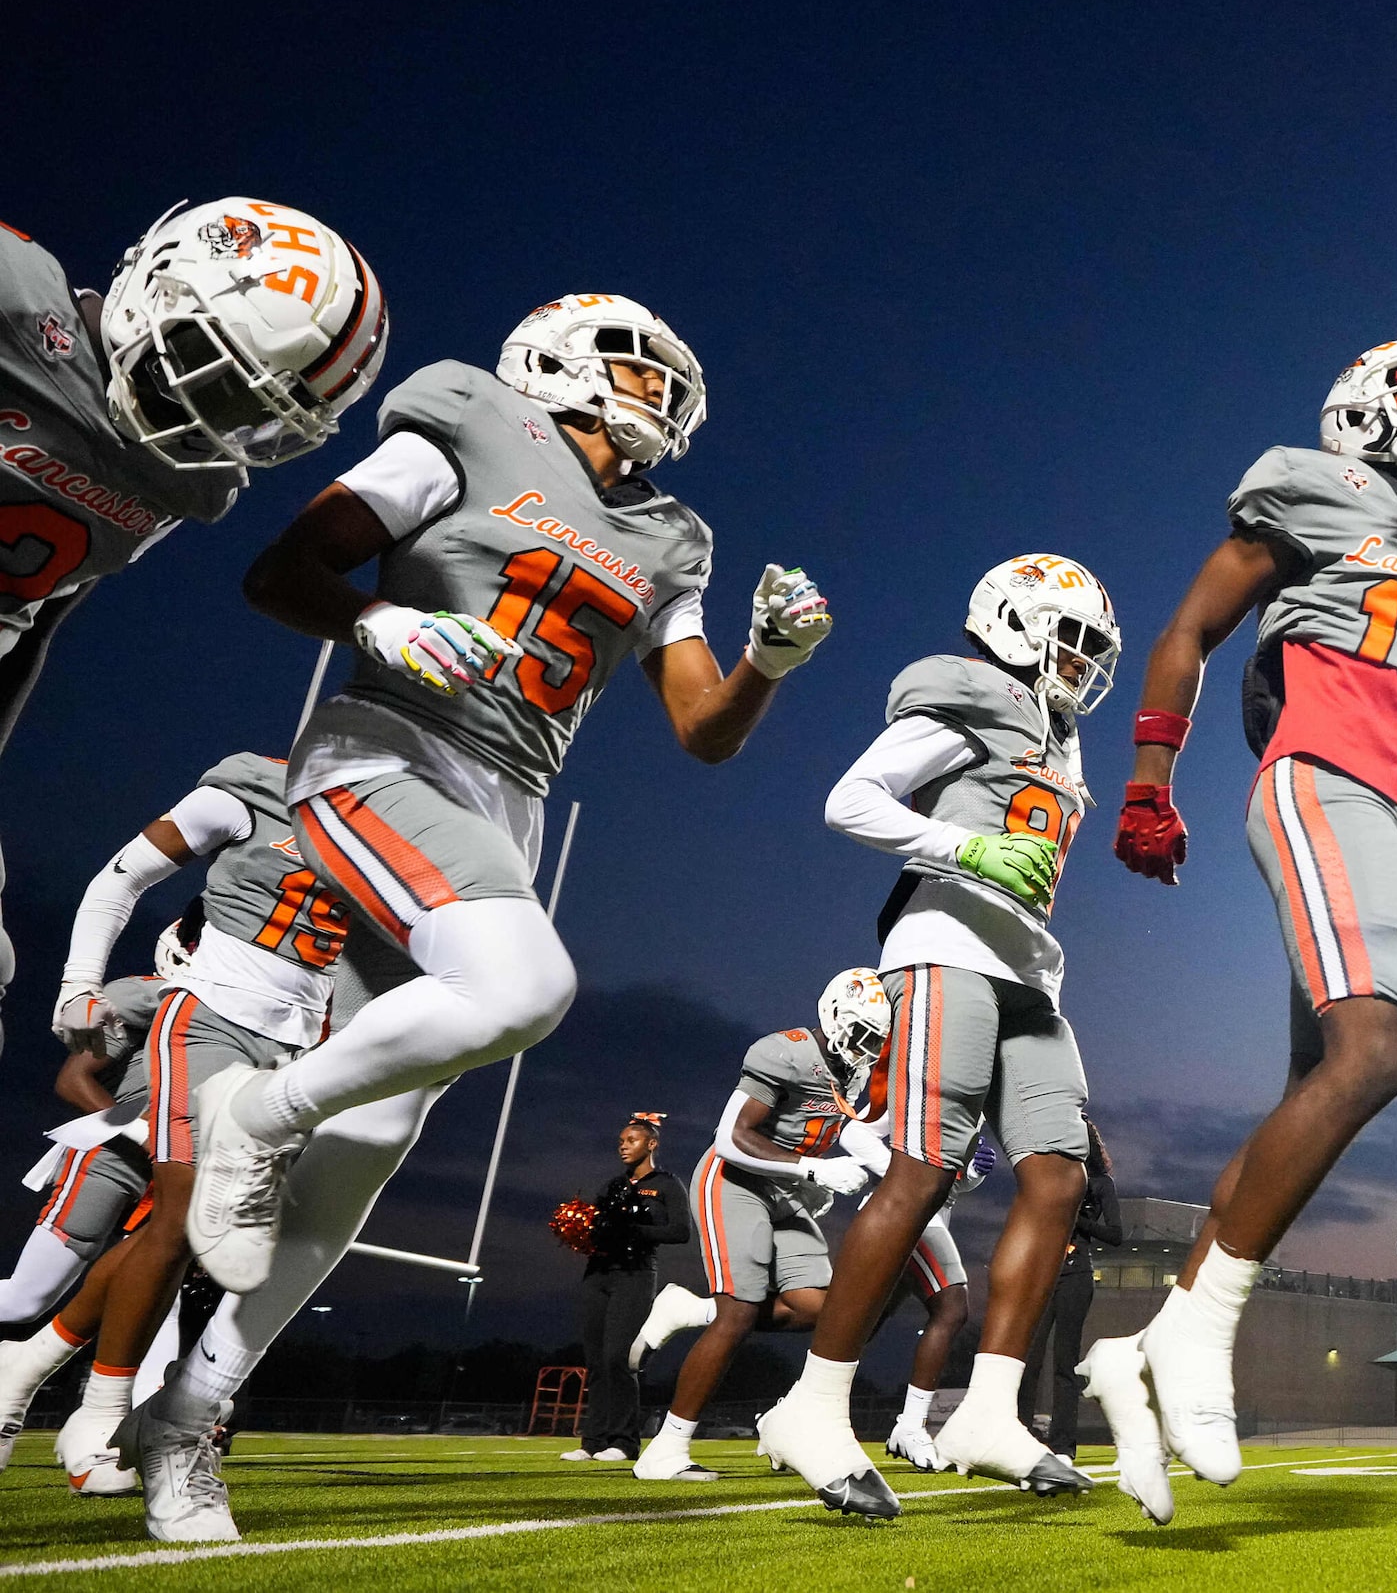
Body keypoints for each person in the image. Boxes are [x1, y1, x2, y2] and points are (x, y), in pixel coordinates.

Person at [142, 294, 832, 1543]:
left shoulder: (672, 537)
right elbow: (282, 568)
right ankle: (256, 1110)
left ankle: (187, 1419)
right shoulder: (470, 415)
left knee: (375, 1144)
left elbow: (702, 734)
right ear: (552, 361)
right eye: (633, 362)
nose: (655, 390)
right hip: (383, 753)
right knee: (523, 987)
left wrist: (768, 668)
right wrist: (383, 621)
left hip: (505, 803)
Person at [1088, 342, 1397, 1518]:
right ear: (1366, 404)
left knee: (1319, 1089)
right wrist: (1150, 778)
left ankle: (1145, 1346)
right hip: (1321, 781)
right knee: (1376, 1055)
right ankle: (1204, 1327)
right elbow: (1191, 629)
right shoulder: (1308, 484)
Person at [757, 556, 1121, 1519]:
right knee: (920, 1170)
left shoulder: (1062, 734)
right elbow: (851, 800)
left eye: (1092, 648)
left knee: (1058, 1179)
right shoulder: (969, 694)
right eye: (1068, 638)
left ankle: (990, 1413)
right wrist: (966, 847)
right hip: (946, 945)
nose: (1079, 663)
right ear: (1008, 622)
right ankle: (814, 1405)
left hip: (1030, 969)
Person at [0, 203, 387, 1059]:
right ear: (160, 285)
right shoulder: (16, 294)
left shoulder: (185, 482)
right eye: (210, 373)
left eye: (254, 406)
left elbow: (42, 615)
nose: (207, 416)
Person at [33, 752, 361, 1520]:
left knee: (215, 1242)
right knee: (179, 1221)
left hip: (294, 1049)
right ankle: (104, 1411)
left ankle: (31, 1363)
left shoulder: (401, 827)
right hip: (209, 1019)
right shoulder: (257, 785)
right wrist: (79, 983)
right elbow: (123, 876)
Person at [630, 973, 885, 1483]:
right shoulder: (783, 1052)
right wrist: (813, 1169)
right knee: (739, 1315)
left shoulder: (853, 1074)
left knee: (828, 1310)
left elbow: (852, 1130)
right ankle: (666, 1450)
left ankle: (694, 1309)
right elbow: (730, 1137)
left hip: (785, 1192)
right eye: (861, 1034)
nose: (866, 1048)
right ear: (834, 1012)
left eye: (876, 1040)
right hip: (734, 1181)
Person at [0, 932, 175, 1474]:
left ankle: (123, 1439)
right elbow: (72, 1080)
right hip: (111, 1159)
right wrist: (145, 1134)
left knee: (158, 1293)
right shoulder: (154, 996)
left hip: (169, 1173)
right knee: (27, 1300)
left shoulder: (254, 1013)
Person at [572, 1112, 688, 1466]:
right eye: (621, 1141)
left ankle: (623, 1442)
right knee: (594, 1361)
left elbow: (680, 1232)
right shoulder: (612, 1186)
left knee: (619, 1359)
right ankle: (592, 1442)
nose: (624, 1145)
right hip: (599, 1273)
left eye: (632, 1140)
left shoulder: (666, 1184)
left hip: (635, 1275)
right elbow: (597, 1228)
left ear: (651, 1144)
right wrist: (580, 1232)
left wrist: (634, 1230)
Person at [877, 1138, 993, 1471]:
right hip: (905, 1213)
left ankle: (797, 1405)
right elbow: (857, 1131)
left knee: (856, 1325)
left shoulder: (955, 1114)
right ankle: (911, 1425)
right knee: (952, 1307)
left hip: (921, 1216)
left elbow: (948, 1185)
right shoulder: (911, 1095)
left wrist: (970, 1174)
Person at [1021, 1119, 1122, 1457]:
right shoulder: (1050, 1175)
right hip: (1042, 1273)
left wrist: (1075, 1218)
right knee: (1028, 1359)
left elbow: (1117, 1235)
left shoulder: (1100, 1184)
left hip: (1076, 1275)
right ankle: (1019, 1436)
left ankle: (1063, 1446)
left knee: (1065, 1363)